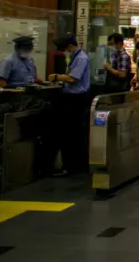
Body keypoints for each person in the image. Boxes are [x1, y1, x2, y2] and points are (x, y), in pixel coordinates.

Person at [48, 35, 91, 176]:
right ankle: (72, 165)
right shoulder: (75, 57)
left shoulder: (81, 58)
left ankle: (72, 167)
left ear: (70, 46)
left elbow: (73, 78)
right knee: (70, 133)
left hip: (76, 100)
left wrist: (56, 77)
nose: (64, 52)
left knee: (72, 134)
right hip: (70, 98)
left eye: (64, 49)